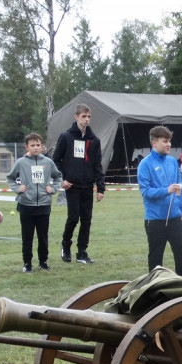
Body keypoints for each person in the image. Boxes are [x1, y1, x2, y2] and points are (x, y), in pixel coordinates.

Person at [52, 103, 105, 264]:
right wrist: (62, 179)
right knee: (73, 217)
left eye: (89, 116)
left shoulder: (94, 140)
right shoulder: (66, 137)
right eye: (84, 116)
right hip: (72, 185)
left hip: (87, 185)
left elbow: (97, 165)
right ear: (76, 117)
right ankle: (65, 244)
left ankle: (82, 252)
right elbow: (55, 161)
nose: (87, 119)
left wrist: (100, 188)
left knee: (86, 220)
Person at [137, 125, 182, 277]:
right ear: (154, 143)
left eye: (169, 141)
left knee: (181, 252)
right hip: (155, 219)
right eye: (165, 141)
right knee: (156, 257)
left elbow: (179, 186)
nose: (169, 145)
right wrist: (166, 190)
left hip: (175, 217)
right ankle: (155, 285)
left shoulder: (172, 162)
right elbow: (146, 192)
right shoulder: (145, 164)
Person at [9, 132, 62, 273]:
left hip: (44, 205)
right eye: (32, 145)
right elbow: (10, 178)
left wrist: (53, 188)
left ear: (41, 146)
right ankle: (27, 263)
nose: (36, 147)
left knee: (43, 237)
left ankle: (43, 262)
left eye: (38, 145)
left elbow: (58, 176)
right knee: (27, 237)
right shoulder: (21, 163)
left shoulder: (48, 162)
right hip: (26, 205)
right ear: (27, 147)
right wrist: (17, 188)